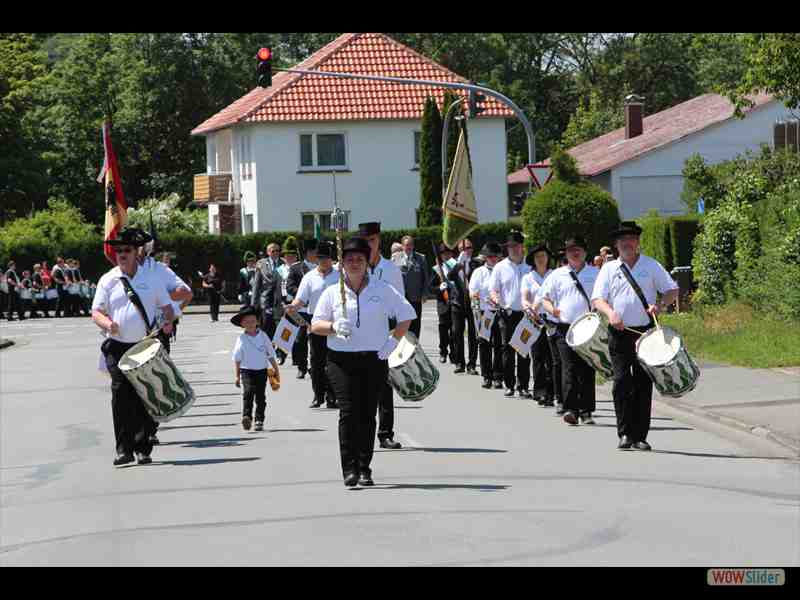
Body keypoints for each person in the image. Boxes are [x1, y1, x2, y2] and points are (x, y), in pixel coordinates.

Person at [311, 237, 416, 487]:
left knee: (368, 414)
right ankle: (349, 469)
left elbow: (406, 315)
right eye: (349, 259)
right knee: (349, 413)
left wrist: (392, 342)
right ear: (342, 264)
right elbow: (316, 325)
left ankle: (364, 466)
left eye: (359, 258)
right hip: (340, 361)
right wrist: (334, 327)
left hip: (373, 358)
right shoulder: (332, 292)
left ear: (367, 261)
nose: (355, 263)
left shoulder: (381, 289)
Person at [592, 221, 679, 451]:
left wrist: (659, 306)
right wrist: (610, 313)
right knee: (621, 381)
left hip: (645, 333)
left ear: (637, 242)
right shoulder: (609, 269)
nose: (627, 243)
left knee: (643, 383)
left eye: (631, 238)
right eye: (622, 240)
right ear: (616, 244)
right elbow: (597, 299)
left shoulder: (651, 265)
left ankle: (640, 436)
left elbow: (672, 290)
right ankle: (624, 433)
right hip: (619, 332)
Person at [91, 227, 175, 467]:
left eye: (126, 250)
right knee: (120, 395)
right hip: (117, 347)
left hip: (145, 346)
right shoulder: (108, 280)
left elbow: (167, 307)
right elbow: (96, 311)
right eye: (118, 251)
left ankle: (143, 448)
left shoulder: (151, 279)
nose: (122, 254)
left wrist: (168, 322)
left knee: (143, 396)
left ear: (136, 252)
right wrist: (108, 323)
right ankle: (123, 449)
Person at [540, 236, 600, 427]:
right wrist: (552, 310)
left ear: (584, 252)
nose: (575, 253)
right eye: (571, 250)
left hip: (589, 326)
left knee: (587, 368)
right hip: (564, 327)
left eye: (578, 249)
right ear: (565, 254)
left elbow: (604, 295)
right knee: (569, 368)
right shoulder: (557, 275)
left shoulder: (595, 273)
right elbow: (544, 298)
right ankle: (571, 409)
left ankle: (587, 410)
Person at [360, 221, 408, 450]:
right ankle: (361, 431)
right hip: (359, 332)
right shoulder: (354, 265)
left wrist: (398, 336)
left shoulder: (390, 269)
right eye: (366, 241)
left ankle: (385, 433)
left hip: (384, 329)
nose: (370, 245)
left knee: (384, 384)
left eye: (373, 240)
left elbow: (401, 303)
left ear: (379, 241)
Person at [288, 241, 339, 408]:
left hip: (335, 322)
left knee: (332, 361)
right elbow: (300, 300)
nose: (324, 262)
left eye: (327, 259)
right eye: (321, 258)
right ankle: (318, 395)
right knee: (316, 361)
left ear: (332, 259)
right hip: (315, 322)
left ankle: (332, 396)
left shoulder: (340, 276)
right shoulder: (309, 278)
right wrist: (292, 307)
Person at [489, 231, 532, 398]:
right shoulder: (500, 267)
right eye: (510, 247)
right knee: (507, 349)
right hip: (507, 313)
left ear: (522, 247)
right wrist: (496, 299)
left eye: (515, 246)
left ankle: (523, 386)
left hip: (526, 314)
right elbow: (493, 290)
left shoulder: (529, 265)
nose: (512, 249)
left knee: (524, 350)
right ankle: (509, 385)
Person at [231, 305, 280, 432]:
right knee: (248, 393)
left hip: (262, 371)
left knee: (260, 396)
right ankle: (246, 416)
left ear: (258, 321)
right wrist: (236, 376)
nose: (250, 324)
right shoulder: (241, 339)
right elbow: (237, 359)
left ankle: (259, 419)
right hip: (246, 370)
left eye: (253, 321)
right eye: (246, 322)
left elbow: (270, 355)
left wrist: (276, 369)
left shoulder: (263, 336)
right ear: (242, 324)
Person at [521, 244, 554, 406]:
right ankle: (540, 391)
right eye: (537, 257)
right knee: (538, 357)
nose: (541, 259)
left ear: (548, 258)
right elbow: (525, 297)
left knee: (553, 358)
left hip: (552, 321)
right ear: (533, 260)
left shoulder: (554, 275)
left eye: (543, 256)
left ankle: (552, 392)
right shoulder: (528, 278)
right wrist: (527, 306)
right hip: (534, 320)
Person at [469, 241, 504, 389]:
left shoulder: (503, 271)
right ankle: (486, 375)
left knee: (499, 344)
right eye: (490, 257)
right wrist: (476, 310)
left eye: (495, 257)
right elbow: (473, 292)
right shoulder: (479, 272)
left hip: (500, 311)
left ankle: (498, 376)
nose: (493, 259)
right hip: (484, 312)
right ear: (485, 258)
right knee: (484, 344)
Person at [286, 239, 318, 379]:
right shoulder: (296, 268)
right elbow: (289, 286)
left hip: (318, 310)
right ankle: (302, 366)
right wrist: (302, 295)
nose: (315, 254)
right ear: (306, 253)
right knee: (300, 340)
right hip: (302, 310)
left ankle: (315, 366)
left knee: (316, 340)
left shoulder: (323, 267)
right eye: (312, 252)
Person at [448, 238, 480, 375]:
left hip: (472, 303)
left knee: (473, 334)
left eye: (469, 247)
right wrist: (458, 265)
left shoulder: (477, 263)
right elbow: (450, 276)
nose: (467, 250)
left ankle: (472, 364)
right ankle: (459, 362)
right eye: (464, 248)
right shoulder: (453, 263)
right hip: (457, 302)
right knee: (457, 333)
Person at [391, 235, 430, 340]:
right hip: (401, 298)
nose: (408, 247)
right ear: (402, 246)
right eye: (406, 245)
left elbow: (426, 278)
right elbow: (391, 277)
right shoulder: (395, 258)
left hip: (415, 297)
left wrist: (425, 293)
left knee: (415, 324)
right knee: (401, 323)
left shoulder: (421, 258)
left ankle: (415, 345)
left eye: (410, 245)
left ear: (413, 246)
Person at [252, 242, 285, 364]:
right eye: (273, 251)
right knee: (266, 328)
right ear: (268, 252)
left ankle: (280, 353)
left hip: (279, 300)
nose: (275, 253)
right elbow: (256, 285)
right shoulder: (261, 264)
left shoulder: (284, 263)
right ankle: (268, 351)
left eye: (277, 250)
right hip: (265, 300)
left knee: (280, 328)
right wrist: (254, 304)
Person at [430, 244, 455, 365]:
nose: (447, 256)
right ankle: (443, 352)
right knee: (443, 330)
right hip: (443, 304)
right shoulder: (436, 269)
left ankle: (454, 353)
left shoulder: (455, 267)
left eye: (449, 253)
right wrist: (439, 288)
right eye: (444, 254)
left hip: (455, 303)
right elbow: (430, 288)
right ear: (441, 256)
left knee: (455, 331)